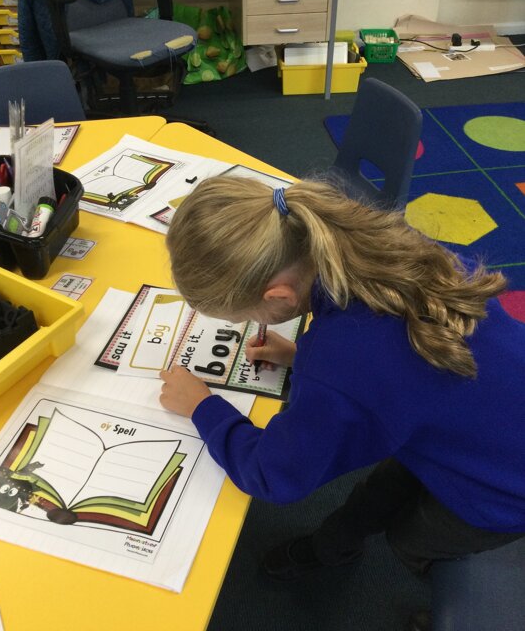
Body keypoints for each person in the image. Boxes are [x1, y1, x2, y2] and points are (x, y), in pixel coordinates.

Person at [159, 176, 525, 612]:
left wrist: (202, 407)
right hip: (483, 422)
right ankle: (335, 546)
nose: (248, 324)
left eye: (244, 316)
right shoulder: (387, 244)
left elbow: (274, 475)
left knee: (409, 538)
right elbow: (399, 370)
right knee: (379, 492)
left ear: (278, 295)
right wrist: (303, 358)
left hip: (503, 489)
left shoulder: (343, 362)